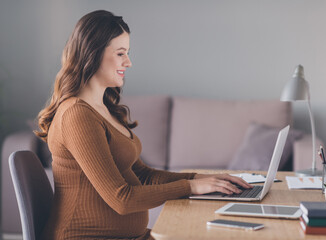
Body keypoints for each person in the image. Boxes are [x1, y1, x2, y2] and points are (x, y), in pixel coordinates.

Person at [35, 10, 252, 240]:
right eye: (120, 54)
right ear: (93, 53)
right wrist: (191, 188)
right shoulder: (76, 115)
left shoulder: (103, 109)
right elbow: (122, 199)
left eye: (127, 53)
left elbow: (143, 175)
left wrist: (199, 179)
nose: (128, 62)